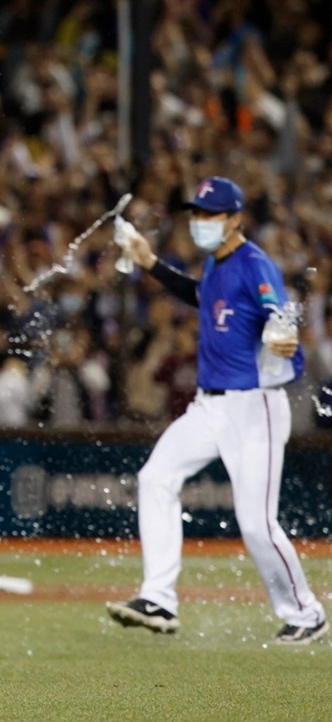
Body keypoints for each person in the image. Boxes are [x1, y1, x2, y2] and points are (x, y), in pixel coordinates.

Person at [106, 177, 327, 644]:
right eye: (197, 213)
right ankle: (159, 599)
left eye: (211, 214)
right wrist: (150, 264)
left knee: (256, 523)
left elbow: (282, 319)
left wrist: (285, 340)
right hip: (209, 406)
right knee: (155, 478)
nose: (201, 222)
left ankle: (306, 612)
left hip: (255, 407)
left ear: (235, 219)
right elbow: (202, 296)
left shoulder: (253, 262)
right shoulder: (217, 262)